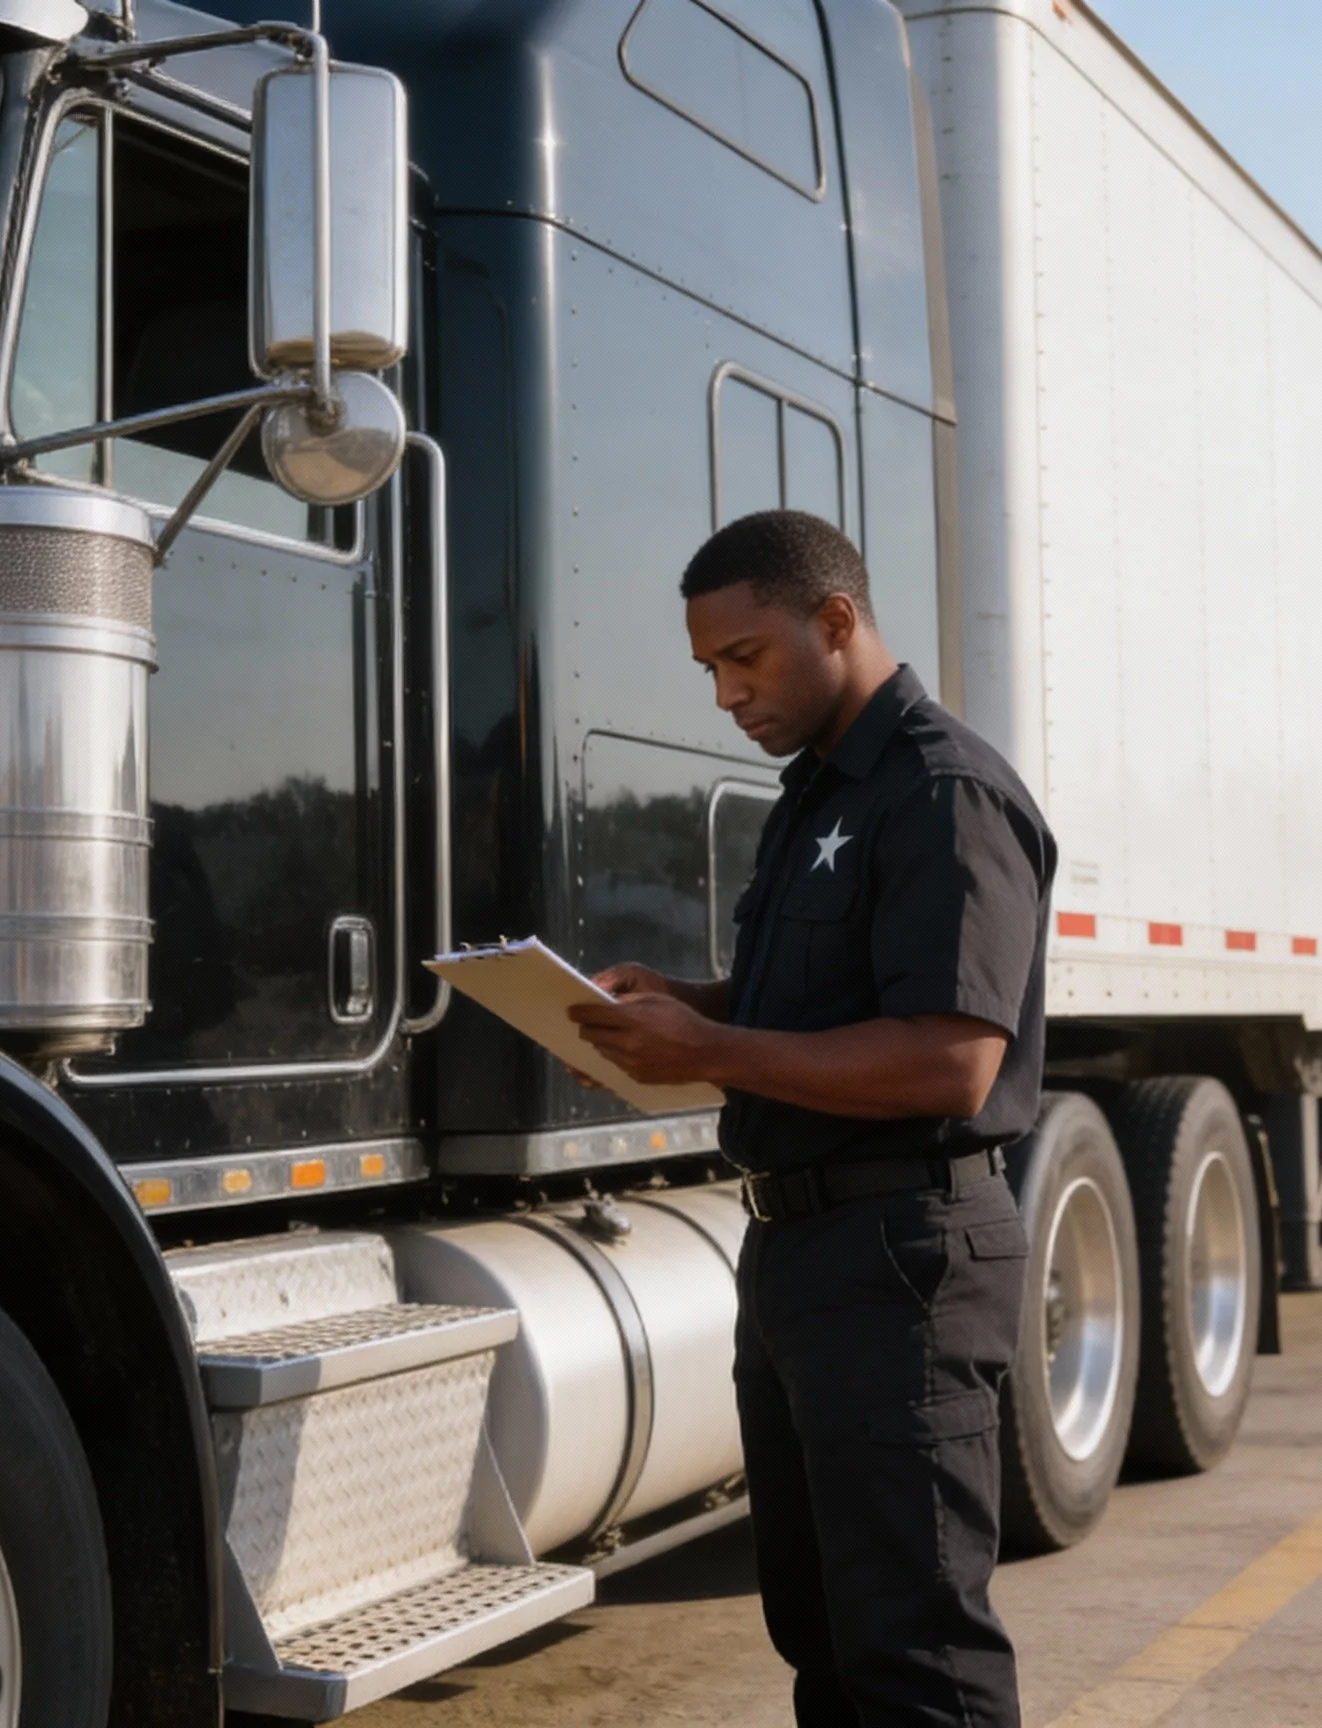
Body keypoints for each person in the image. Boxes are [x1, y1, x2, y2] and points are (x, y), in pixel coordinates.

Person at [569, 510, 1055, 1728]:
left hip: (904, 1262)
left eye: (747, 657)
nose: (727, 693)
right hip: (802, 1257)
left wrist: (715, 1048)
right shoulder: (816, 799)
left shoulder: (943, 792)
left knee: (913, 1656)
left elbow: (950, 1059)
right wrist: (687, 1006)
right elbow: (820, 1005)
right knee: (822, 1636)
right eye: (710, 670)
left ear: (836, 621)